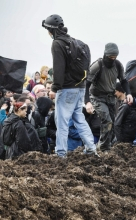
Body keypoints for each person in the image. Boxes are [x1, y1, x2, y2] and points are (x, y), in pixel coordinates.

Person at [42, 14, 98, 158]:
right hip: (80, 87)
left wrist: (55, 88)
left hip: (66, 89)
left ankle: (61, 153)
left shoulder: (57, 43)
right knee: (79, 118)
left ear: (51, 30)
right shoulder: (75, 42)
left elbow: (58, 68)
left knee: (62, 122)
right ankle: (91, 148)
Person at [85, 43, 132, 151]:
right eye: (110, 57)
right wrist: (87, 102)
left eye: (114, 57)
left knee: (112, 123)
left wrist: (128, 93)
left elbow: (123, 81)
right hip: (97, 97)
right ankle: (103, 147)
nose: (112, 59)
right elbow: (86, 84)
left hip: (110, 97)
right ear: (105, 55)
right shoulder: (97, 66)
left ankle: (106, 145)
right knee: (107, 120)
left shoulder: (118, 65)